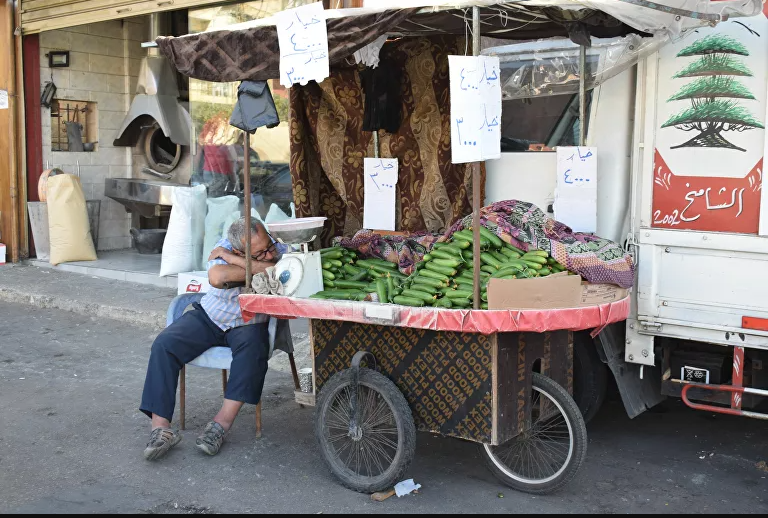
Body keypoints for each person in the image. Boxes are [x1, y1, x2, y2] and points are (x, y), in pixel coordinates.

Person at [140, 217, 286, 461]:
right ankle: (160, 429)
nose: (270, 253)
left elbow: (277, 269)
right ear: (239, 248)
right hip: (211, 317)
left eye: (269, 245)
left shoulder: (275, 247)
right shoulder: (226, 243)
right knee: (164, 345)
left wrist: (235, 261)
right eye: (261, 252)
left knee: (253, 353)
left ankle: (220, 426)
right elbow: (218, 277)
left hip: (247, 324)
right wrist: (249, 266)